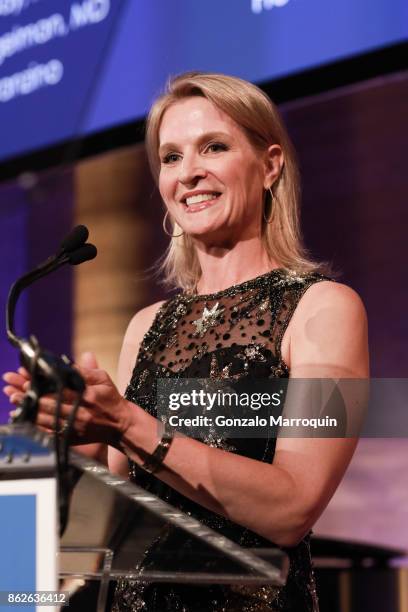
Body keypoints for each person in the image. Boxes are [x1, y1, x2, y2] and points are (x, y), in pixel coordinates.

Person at [3, 72, 368, 611]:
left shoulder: (326, 309)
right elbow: (124, 505)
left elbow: (293, 507)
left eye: (213, 148)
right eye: (170, 158)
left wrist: (128, 422)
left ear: (270, 165)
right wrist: (60, 438)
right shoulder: (145, 325)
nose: (188, 173)